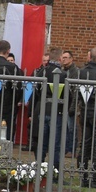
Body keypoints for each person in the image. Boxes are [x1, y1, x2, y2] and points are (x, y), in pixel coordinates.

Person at [38, 50, 77, 179]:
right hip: (58, 112)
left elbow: (37, 92)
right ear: (59, 59)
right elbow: (68, 95)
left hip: (44, 110)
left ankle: (39, 168)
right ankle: (54, 173)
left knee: (42, 142)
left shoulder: (42, 72)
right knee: (56, 144)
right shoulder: (63, 75)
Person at [76, 47, 96, 189]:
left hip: (85, 110)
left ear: (89, 57)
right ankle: (95, 178)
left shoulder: (82, 72)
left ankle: (83, 176)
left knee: (85, 142)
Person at [0, 40, 24, 142]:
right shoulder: (12, 67)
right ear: (8, 51)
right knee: (5, 134)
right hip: (6, 105)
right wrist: (14, 102)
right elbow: (18, 88)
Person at [28, 52, 59, 153]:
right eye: (44, 61)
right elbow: (33, 93)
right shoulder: (39, 72)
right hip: (42, 107)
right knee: (42, 137)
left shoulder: (42, 72)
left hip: (47, 107)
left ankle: (41, 162)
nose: (45, 63)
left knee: (45, 138)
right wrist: (30, 112)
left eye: (47, 61)